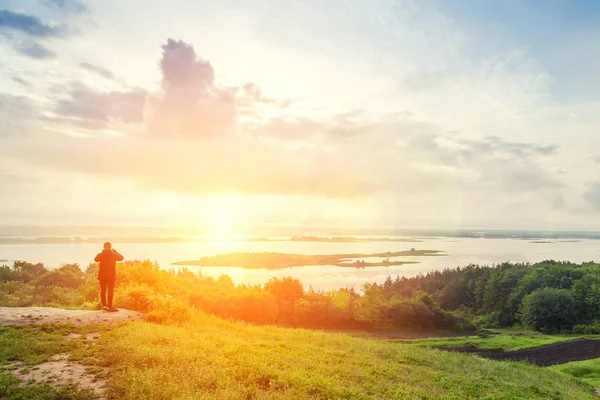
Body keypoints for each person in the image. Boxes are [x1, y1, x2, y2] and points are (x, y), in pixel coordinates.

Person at [94, 242, 124, 312]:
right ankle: (110, 307)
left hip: (102, 276)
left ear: (104, 247)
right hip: (111, 276)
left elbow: (95, 259)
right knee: (110, 291)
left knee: (103, 290)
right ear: (110, 247)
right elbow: (122, 258)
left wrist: (101, 253)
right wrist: (116, 251)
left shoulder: (100, 255)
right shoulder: (114, 254)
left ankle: (104, 306)